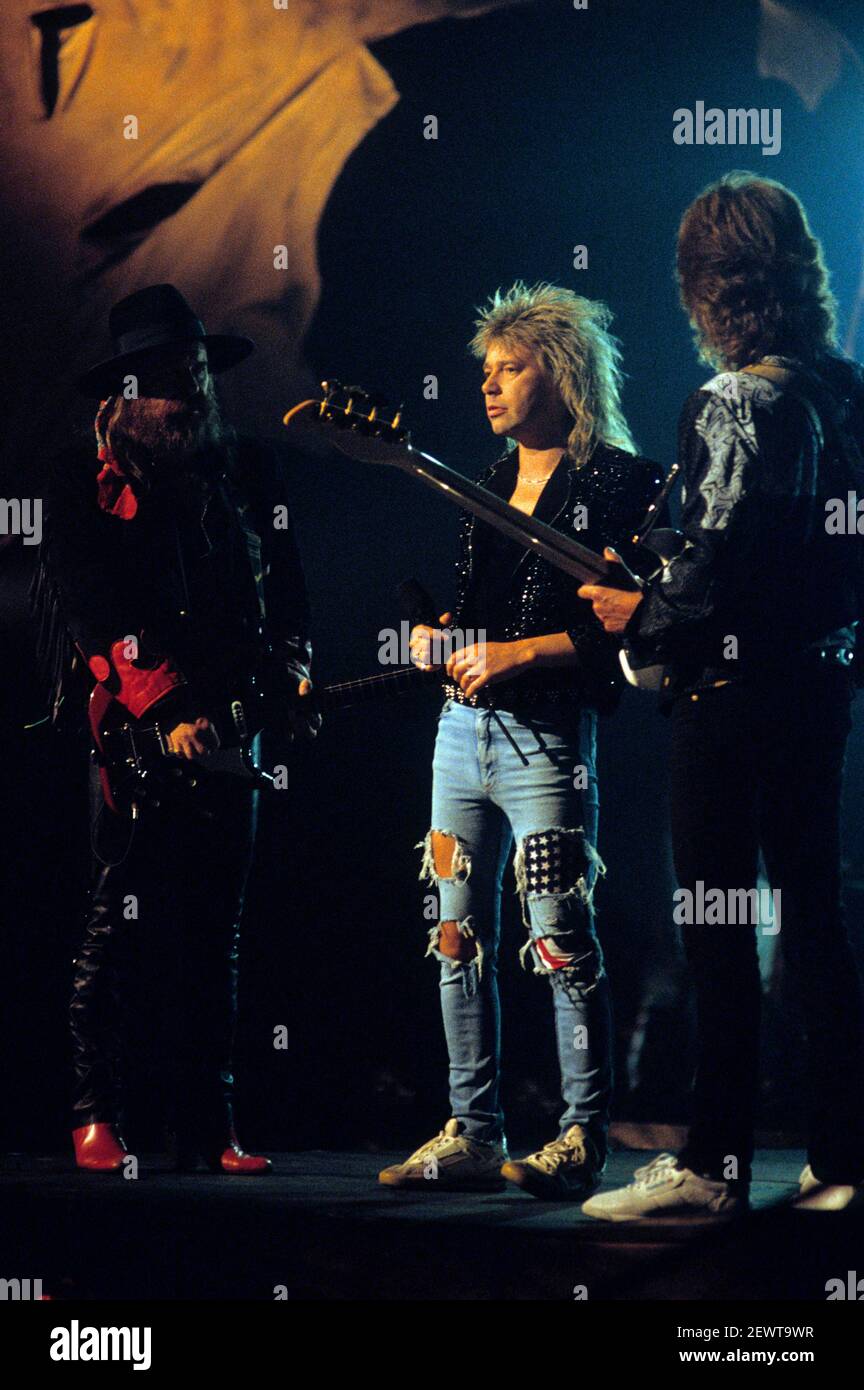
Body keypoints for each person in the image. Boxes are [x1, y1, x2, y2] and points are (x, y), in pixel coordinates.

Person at [579, 173, 864, 1218]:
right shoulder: (848, 393)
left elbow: (703, 574)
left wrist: (633, 614)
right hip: (819, 690)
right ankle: (840, 1161)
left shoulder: (735, 401)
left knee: (715, 922)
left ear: (708, 286)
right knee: (816, 921)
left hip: (729, 696)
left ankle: (714, 1164)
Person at [378, 282, 663, 1198]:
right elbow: (483, 622)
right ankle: (471, 1128)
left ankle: (583, 1133)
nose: (490, 388)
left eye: (511, 368)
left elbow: (624, 624)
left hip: (547, 741)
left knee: (559, 937)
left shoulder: (624, 480)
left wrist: (509, 653)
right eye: (486, 371)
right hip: (461, 736)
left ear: (562, 371)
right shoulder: (486, 483)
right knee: (453, 930)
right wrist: (442, 641)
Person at [40, 284, 317, 1173]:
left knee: (215, 935)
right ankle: (96, 1114)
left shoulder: (248, 473)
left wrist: (295, 672)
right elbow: (96, 611)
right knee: (113, 932)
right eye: (169, 379)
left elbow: (288, 589)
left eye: (196, 372)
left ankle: (210, 1125)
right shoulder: (79, 485)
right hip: (135, 737)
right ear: (126, 393)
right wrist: (166, 708)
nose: (190, 392)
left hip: (236, 733)